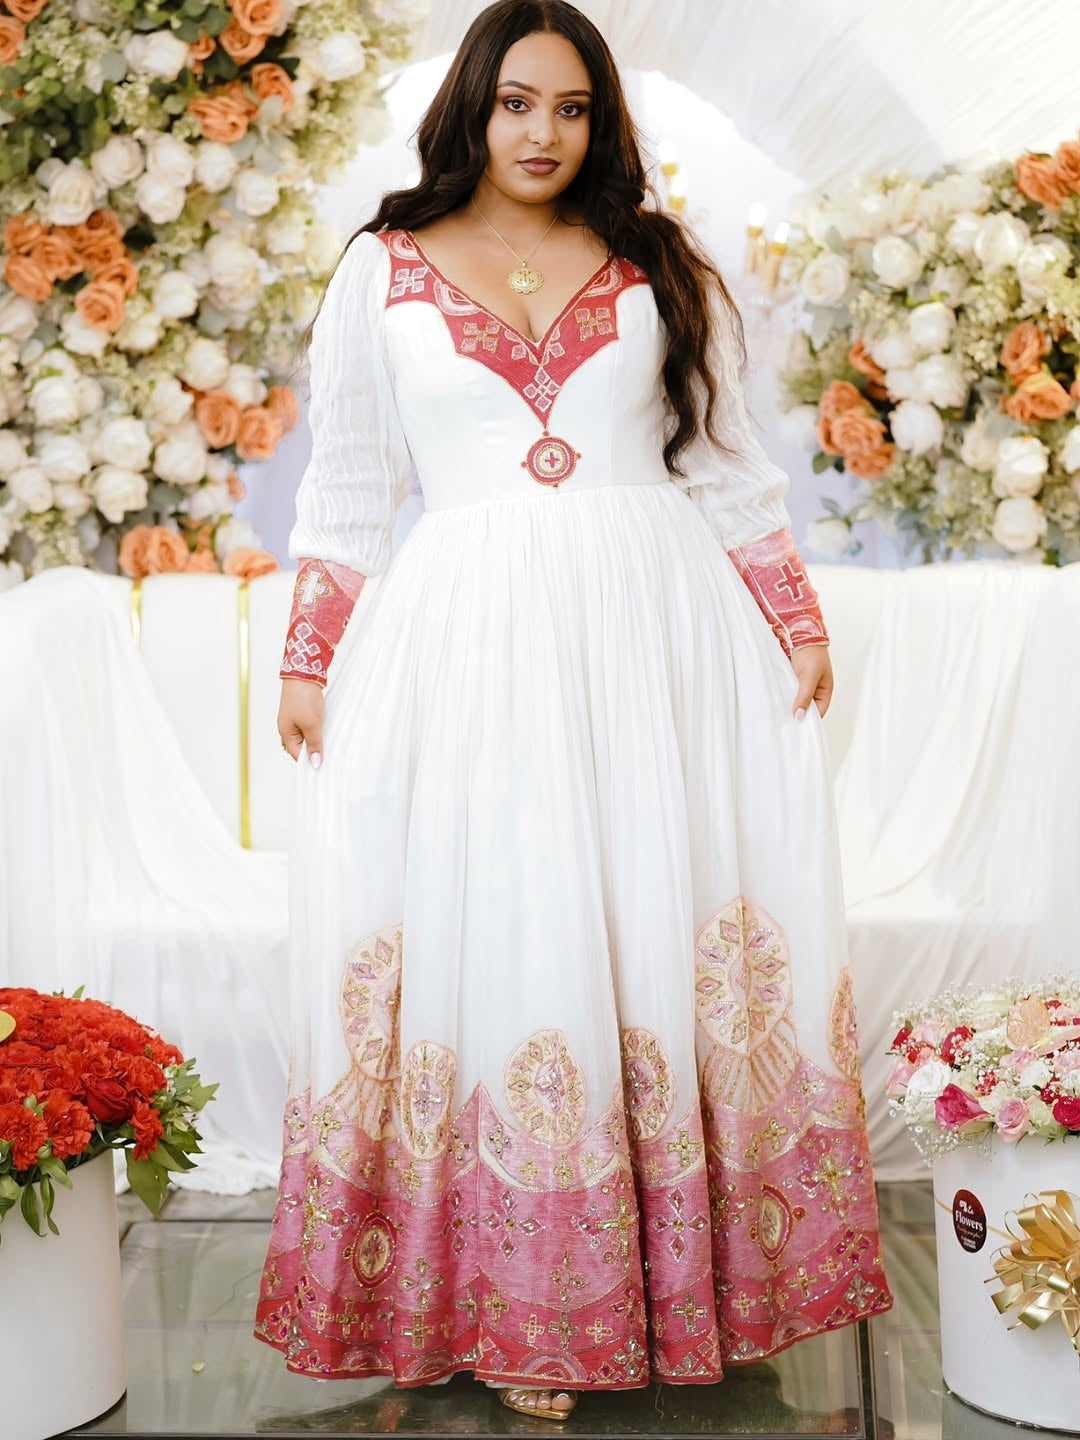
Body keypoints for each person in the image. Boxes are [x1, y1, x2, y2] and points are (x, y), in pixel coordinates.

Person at [254, 0, 893, 1422]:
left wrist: (793, 619)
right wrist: (308, 657)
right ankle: (524, 1300)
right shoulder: (382, 270)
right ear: (472, 109)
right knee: (514, 923)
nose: (543, 134)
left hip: (655, 638)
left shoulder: (664, 263)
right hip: (467, 645)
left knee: (654, 926)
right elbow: (350, 489)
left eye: (573, 108)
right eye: (518, 104)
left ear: (602, 122)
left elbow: (730, 466)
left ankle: (694, 1290)